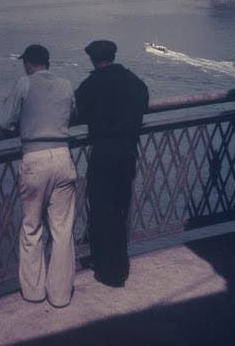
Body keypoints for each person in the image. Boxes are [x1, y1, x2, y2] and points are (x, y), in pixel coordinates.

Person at [0, 44, 77, 308]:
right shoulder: (67, 85)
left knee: (32, 227)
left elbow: (4, 122)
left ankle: (33, 292)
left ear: (28, 63)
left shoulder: (24, 84)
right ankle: (60, 296)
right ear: (48, 62)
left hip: (34, 159)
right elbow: (73, 115)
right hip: (62, 156)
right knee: (62, 229)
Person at [74, 40, 149, 287]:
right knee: (120, 209)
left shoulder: (92, 84)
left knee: (101, 209)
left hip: (104, 154)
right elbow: (144, 102)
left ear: (94, 60)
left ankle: (108, 270)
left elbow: (77, 112)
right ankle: (120, 266)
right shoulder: (134, 82)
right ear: (113, 56)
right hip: (128, 153)